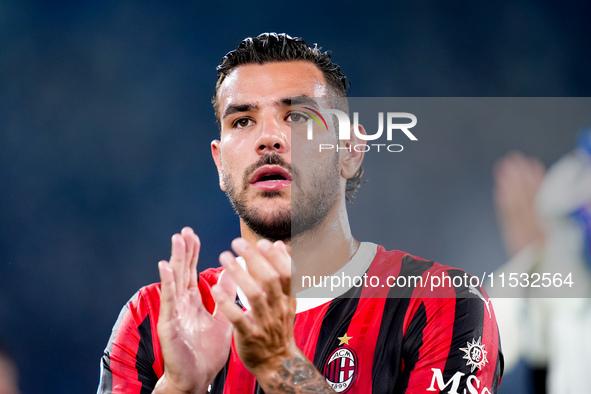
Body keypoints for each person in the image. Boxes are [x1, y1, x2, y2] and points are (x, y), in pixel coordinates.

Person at [98, 33, 503, 394]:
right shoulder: (153, 319)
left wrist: (280, 367)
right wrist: (179, 387)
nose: (268, 138)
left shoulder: (438, 301)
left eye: (296, 116)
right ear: (220, 165)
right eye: (242, 120)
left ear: (350, 151)